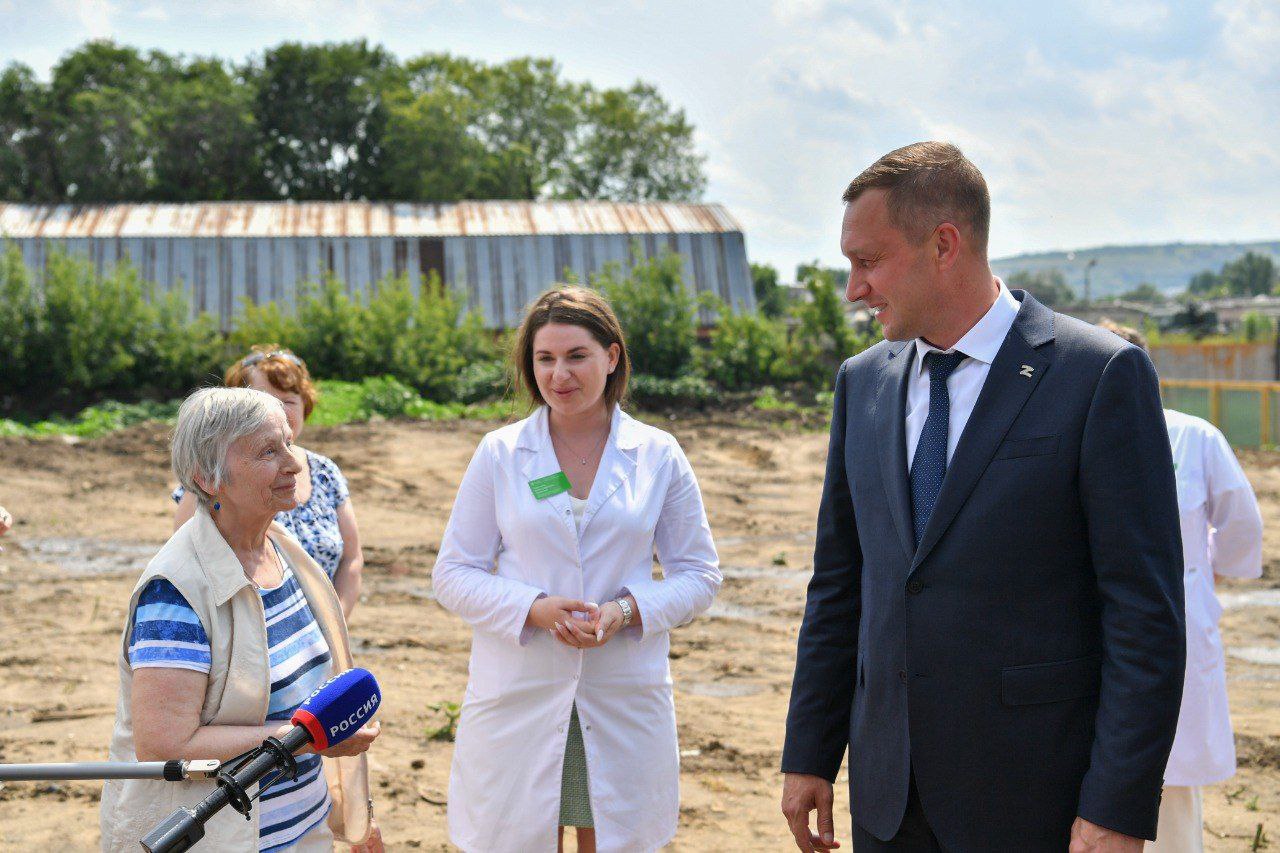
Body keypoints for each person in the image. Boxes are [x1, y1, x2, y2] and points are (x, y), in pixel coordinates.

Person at [780, 142, 1185, 853]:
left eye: (867, 261)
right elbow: (841, 582)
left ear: (944, 245)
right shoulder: (862, 382)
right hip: (888, 801)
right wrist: (810, 750)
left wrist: (1117, 803)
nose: (854, 289)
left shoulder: (1098, 376)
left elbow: (1144, 614)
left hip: (1034, 802)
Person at [433, 286, 721, 853]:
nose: (559, 374)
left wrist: (626, 610)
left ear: (611, 357)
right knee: (515, 837)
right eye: (545, 359)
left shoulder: (658, 454)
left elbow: (699, 574)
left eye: (576, 356)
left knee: (614, 836)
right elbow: (453, 573)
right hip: (520, 689)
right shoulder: (500, 452)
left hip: (621, 690)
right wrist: (532, 609)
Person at [101, 387, 383, 853]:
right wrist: (307, 738)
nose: (294, 464)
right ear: (207, 478)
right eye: (269, 451)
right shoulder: (175, 593)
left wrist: (347, 810)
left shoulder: (283, 551)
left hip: (303, 828)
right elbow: (165, 744)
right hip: (224, 839)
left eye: (289, 443)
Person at [1099, 320, 1264, 853]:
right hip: (1095, 635)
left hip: (1176, 627)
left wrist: (1206, 573)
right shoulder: (1069, 436)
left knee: (1170, 789)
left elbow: (1241, 524)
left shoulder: (1193, 436)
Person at [174, 346, 365, 619]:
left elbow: (352, 558)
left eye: (287, 402)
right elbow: (187, 560)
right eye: (263, 400)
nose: (276, 411)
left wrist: (333, 626)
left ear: (305, 404)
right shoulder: (213, 474)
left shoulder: (325, 471)